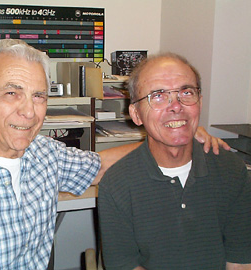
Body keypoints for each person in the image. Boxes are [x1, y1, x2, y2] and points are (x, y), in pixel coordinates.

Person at [0, 40, 227, 269]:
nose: (29, 111)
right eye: (12, 93)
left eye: (39, 96)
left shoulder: (43, 154)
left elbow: (101, 167)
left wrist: (171, 136)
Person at [98, 52, 251, 270]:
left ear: (199, 102)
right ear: (136, 114)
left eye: (186, 92)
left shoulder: (232, 170)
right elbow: (125, 265)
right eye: (158, 96)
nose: (176, 106)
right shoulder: (116, 184)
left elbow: (240, 261)